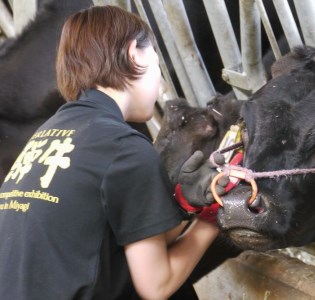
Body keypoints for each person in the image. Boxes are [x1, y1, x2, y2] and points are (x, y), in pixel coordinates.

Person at [0, 5, 223, 300]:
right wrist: (212, 216)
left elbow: (126, 239)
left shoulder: (50, 134)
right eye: (158, 65)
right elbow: (156, 286)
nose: (161, 82)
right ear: (135, 54)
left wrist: (185, 205)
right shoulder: (124, 148)